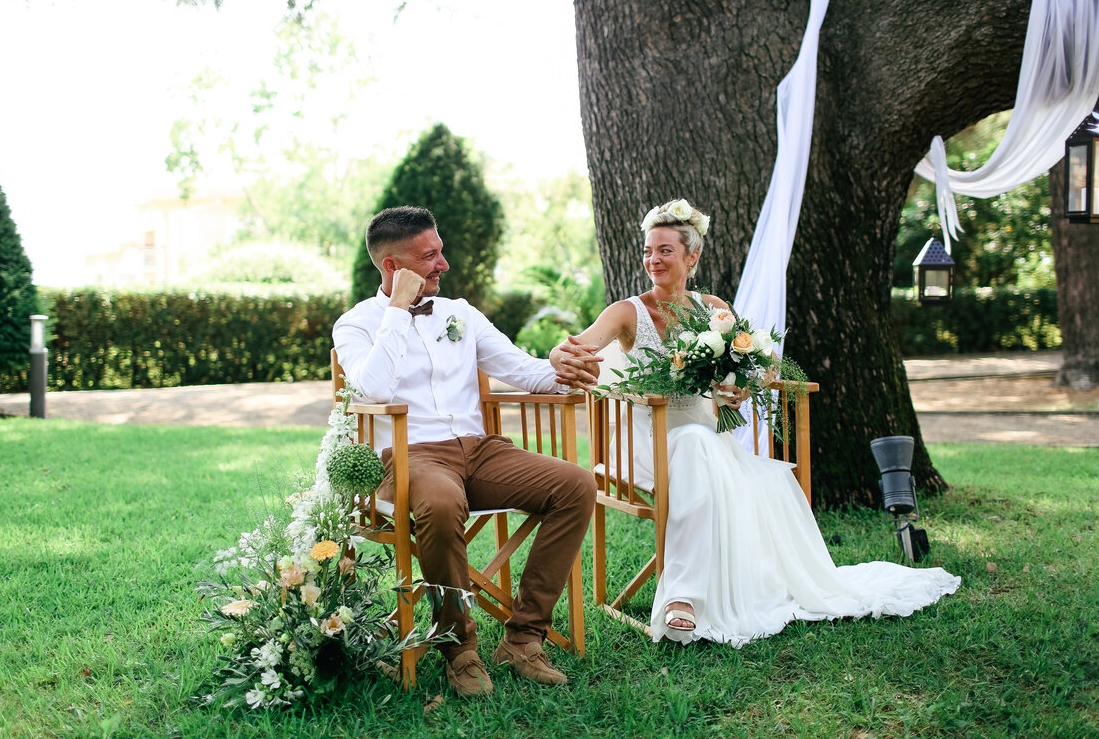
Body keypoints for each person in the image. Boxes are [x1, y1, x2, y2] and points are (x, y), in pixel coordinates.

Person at [551, 198, 961, 646]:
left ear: (693, 256)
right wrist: (559, 354)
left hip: (708, 444)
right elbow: (579, 345)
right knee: (691, 442)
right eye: (649, 250)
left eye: (666, 250)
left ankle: (697, 595)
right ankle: (683, 598)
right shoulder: (627, 312)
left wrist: (744, 386)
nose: (654, 259)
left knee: (699, 443)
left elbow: (763, 364)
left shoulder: (713, 309)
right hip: (647, 444)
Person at [333, 206, 599, 697]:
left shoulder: (460, 314)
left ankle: (523, 637)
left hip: (480, 451)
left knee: (576, 484)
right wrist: (397, 310)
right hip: (409, 456)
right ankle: (460, 649)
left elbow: (524, 371)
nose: (444, 265)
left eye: (440, 250)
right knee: (439, 502)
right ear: (393, 268)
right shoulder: (356, 325)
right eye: (430, 256)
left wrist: (562, 367)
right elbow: (371, 391)